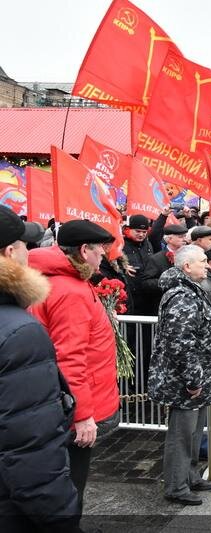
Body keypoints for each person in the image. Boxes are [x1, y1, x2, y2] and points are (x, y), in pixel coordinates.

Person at [29, 220, 120, 513]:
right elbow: (70, 358)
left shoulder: (67, 282)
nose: (104, 256)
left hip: (69, 400)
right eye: (101, 250)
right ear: (84, 250)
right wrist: (82, 416)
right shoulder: (70, 291)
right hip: (75, 408)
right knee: (72, 483)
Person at [0, 207, 82, 533]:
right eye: (25, 245)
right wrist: (63, 517)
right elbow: (30, 444)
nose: (30, 253)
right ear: (10, 252)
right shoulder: (20, 332)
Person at [148, 245, 211, 505]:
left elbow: (200, 316)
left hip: (199, 380)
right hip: (185, 383)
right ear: (186, 267)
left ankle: (190, 476)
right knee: (182, 436)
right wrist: (194, 380)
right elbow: (180, 342)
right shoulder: (181, 295)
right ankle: (176, 486)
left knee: (195, 433)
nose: (207, 265)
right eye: (203, 261)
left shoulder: (191, 289)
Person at [139, 224, 189, 315]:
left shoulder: (190, 256)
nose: (184, 239)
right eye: (180, 237)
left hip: (186, 305)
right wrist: (168, 282)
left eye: (185, 236)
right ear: (169, 239)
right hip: (165, 307)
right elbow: (145, 283)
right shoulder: (156, 259)